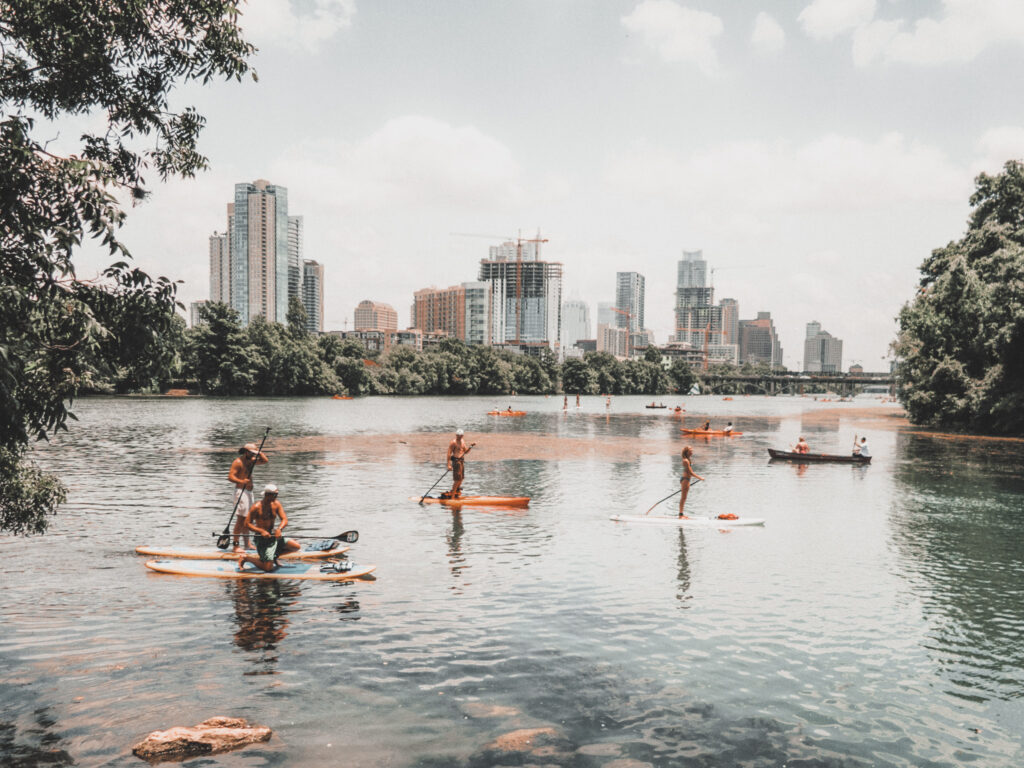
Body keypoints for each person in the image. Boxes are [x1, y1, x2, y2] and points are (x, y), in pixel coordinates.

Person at [237, 485, 300, 572]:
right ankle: (246, 558)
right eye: (275, 495)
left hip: (273, 536)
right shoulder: (256, 507)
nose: (276, 497)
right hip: (262, 539)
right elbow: (246, 524)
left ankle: (273, 556)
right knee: (268, 568)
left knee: (296, 546)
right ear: (267, 495)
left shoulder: (276, 504)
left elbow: (284, 519)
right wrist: (261, 531)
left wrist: (279, 529)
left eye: (277, 495)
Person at [228, 441, 268, 553]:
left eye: (254, 453)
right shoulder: (238, 462)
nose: (253, 455)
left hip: (249, 492)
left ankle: (247, 544)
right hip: (241, 492)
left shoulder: (251, 461)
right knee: (240, 519)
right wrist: (241, 481)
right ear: (245, 452)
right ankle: (236, 545)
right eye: (251, 453)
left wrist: (259, 452)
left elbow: (265, 461)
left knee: (248, 519)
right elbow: (230, 477)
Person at [444, 429, 476, 499]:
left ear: (462, 436)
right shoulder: (453, 442)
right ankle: (452, 496)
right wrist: (448, 465)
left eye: (460, 436)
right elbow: (449, 453)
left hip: (461, 461)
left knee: (461, 478)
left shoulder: (462, 441)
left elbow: (466, 452)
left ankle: (456, 492)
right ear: (456, 435)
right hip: (456, 462)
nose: (459, 437)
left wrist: (471, 446)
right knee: (457, 480)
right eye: (458, 436)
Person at [678, 446, 705, 518]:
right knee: (683, 498)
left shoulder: (688, 460)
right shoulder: (685, 461)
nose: (692, 452)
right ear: (687, 452)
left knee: (684, 498)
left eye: (692, 451)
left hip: (687, 480)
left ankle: (681, 514)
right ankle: (680, 515)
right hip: (685, 480)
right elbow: (691, 472)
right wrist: (700, 478)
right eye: (690, 451)